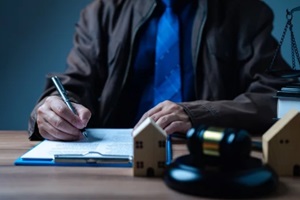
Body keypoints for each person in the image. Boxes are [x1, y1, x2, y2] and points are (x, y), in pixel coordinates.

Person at [28, 0, 291, 141]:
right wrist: (53, 109)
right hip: (116, 162)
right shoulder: (101, 13)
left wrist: (198, 114)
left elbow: (280, 97)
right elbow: (74, 85)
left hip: (207, 153)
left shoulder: (246, 11)